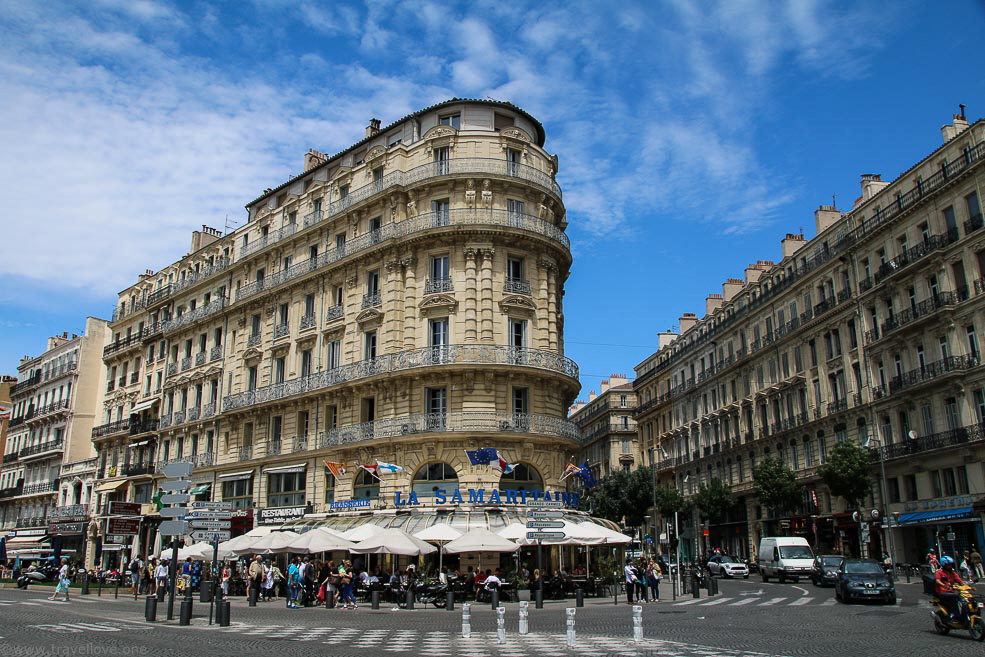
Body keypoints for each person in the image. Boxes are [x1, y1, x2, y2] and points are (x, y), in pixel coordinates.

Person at [935, 555, 965, 621]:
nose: (950, 566)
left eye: (951, 565)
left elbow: (959, 581)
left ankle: (964, 614)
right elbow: (937, 581)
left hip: (951, 591)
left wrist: (966, 586)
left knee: (964, 598)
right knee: (954, 597)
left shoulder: (953, 573)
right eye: (949, 565)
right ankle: (953, 614)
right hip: (942, 591)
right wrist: (944, 585)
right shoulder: (939, 572)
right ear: (944, 565)